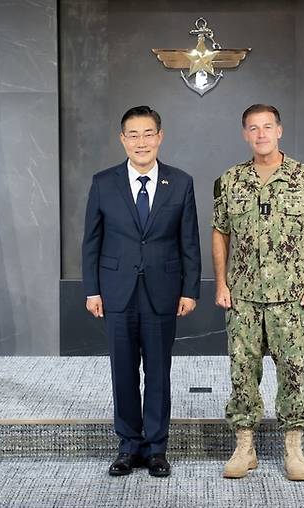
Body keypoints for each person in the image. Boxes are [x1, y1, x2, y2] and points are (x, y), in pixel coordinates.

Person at [212, 104, 304, 481]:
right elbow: (220, 231)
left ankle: (294, 449)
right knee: (242, 373)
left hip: (293, 298)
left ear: (280, 130)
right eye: (253, 128)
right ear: (245, 135)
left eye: (267, 126)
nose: (261, 134)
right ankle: (244, 447)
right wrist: (220, 283)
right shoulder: (230, 181)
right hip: (244, 297)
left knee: (294, 373)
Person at [82, 106, 201, 477]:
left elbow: (189, 242)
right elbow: (91, 241)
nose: (141, 142)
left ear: (160, 137)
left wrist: (190, 289)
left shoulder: (180, 182)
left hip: (163, 292)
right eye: (132, 135)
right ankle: (128, 445)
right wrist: (92, 290)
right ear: (122, 140)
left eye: (148, 134)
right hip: (116, 292)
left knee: (159, 372)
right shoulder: (103, 182)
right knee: (123, 371)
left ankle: (156, 449)